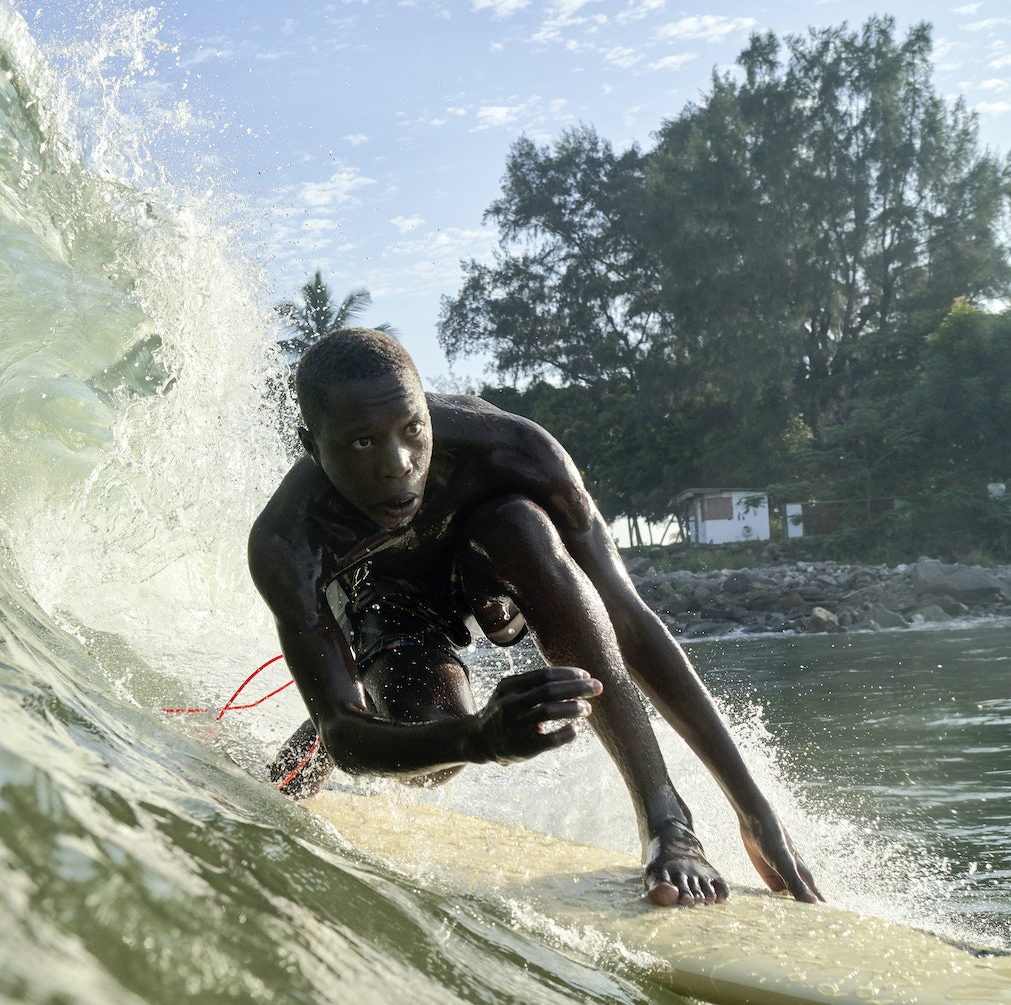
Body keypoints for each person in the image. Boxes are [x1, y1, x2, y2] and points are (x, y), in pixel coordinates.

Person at [248, 327, 820, 907]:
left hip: (488, 569)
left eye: (412, 430)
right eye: (363, 444)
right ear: (311, 445)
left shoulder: (515, 452)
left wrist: (754, 808)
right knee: (429, 757)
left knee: (520, 526)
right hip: (390, 606)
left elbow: (628, 620)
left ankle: (668, 819)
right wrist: (479, 737)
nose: (399, 465)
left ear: (427, 409)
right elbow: (346, 742)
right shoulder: (288, 541)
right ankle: (347, 703)